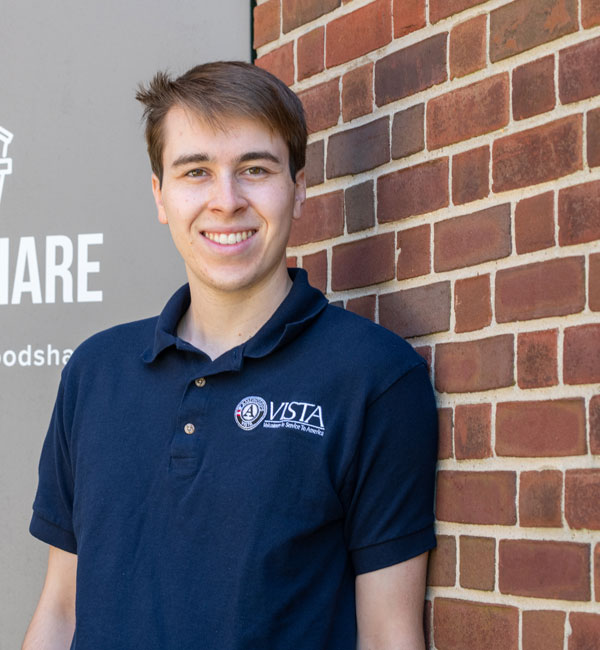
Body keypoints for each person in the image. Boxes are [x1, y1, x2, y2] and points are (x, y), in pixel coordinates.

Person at [22, 61, 438, 650]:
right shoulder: (96, 372)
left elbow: (388, 634)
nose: (226, 201)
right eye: (196, 172)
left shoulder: (374, 377)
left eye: (254, 169)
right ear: (160, 196)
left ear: (298, 189)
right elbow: (60, 612)